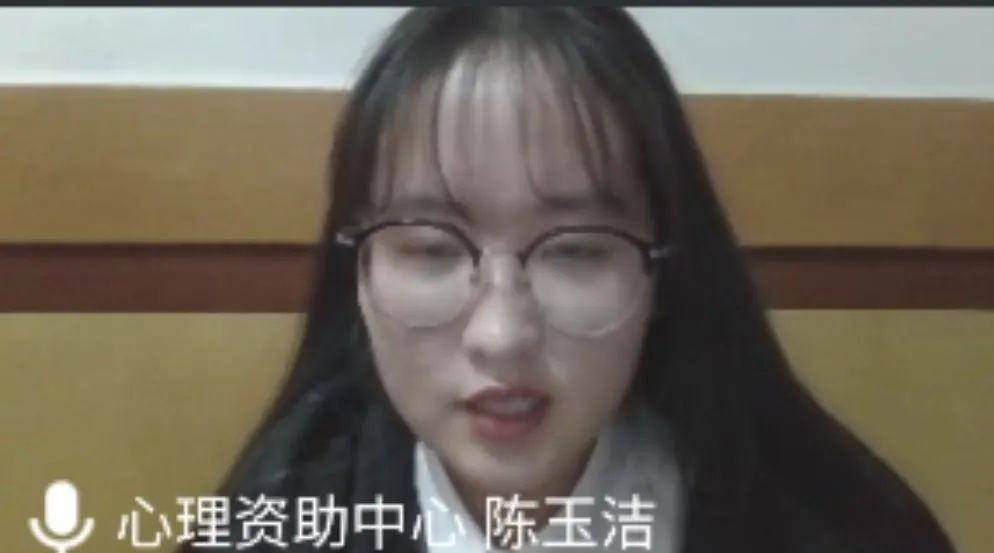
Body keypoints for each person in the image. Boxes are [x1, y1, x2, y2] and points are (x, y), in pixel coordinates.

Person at [180, 8, 956, 553]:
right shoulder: (274, 526)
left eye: (576, 251)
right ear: (358, 272)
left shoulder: (840, 531)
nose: (501, 335)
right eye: (430, 248)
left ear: (662, 274)